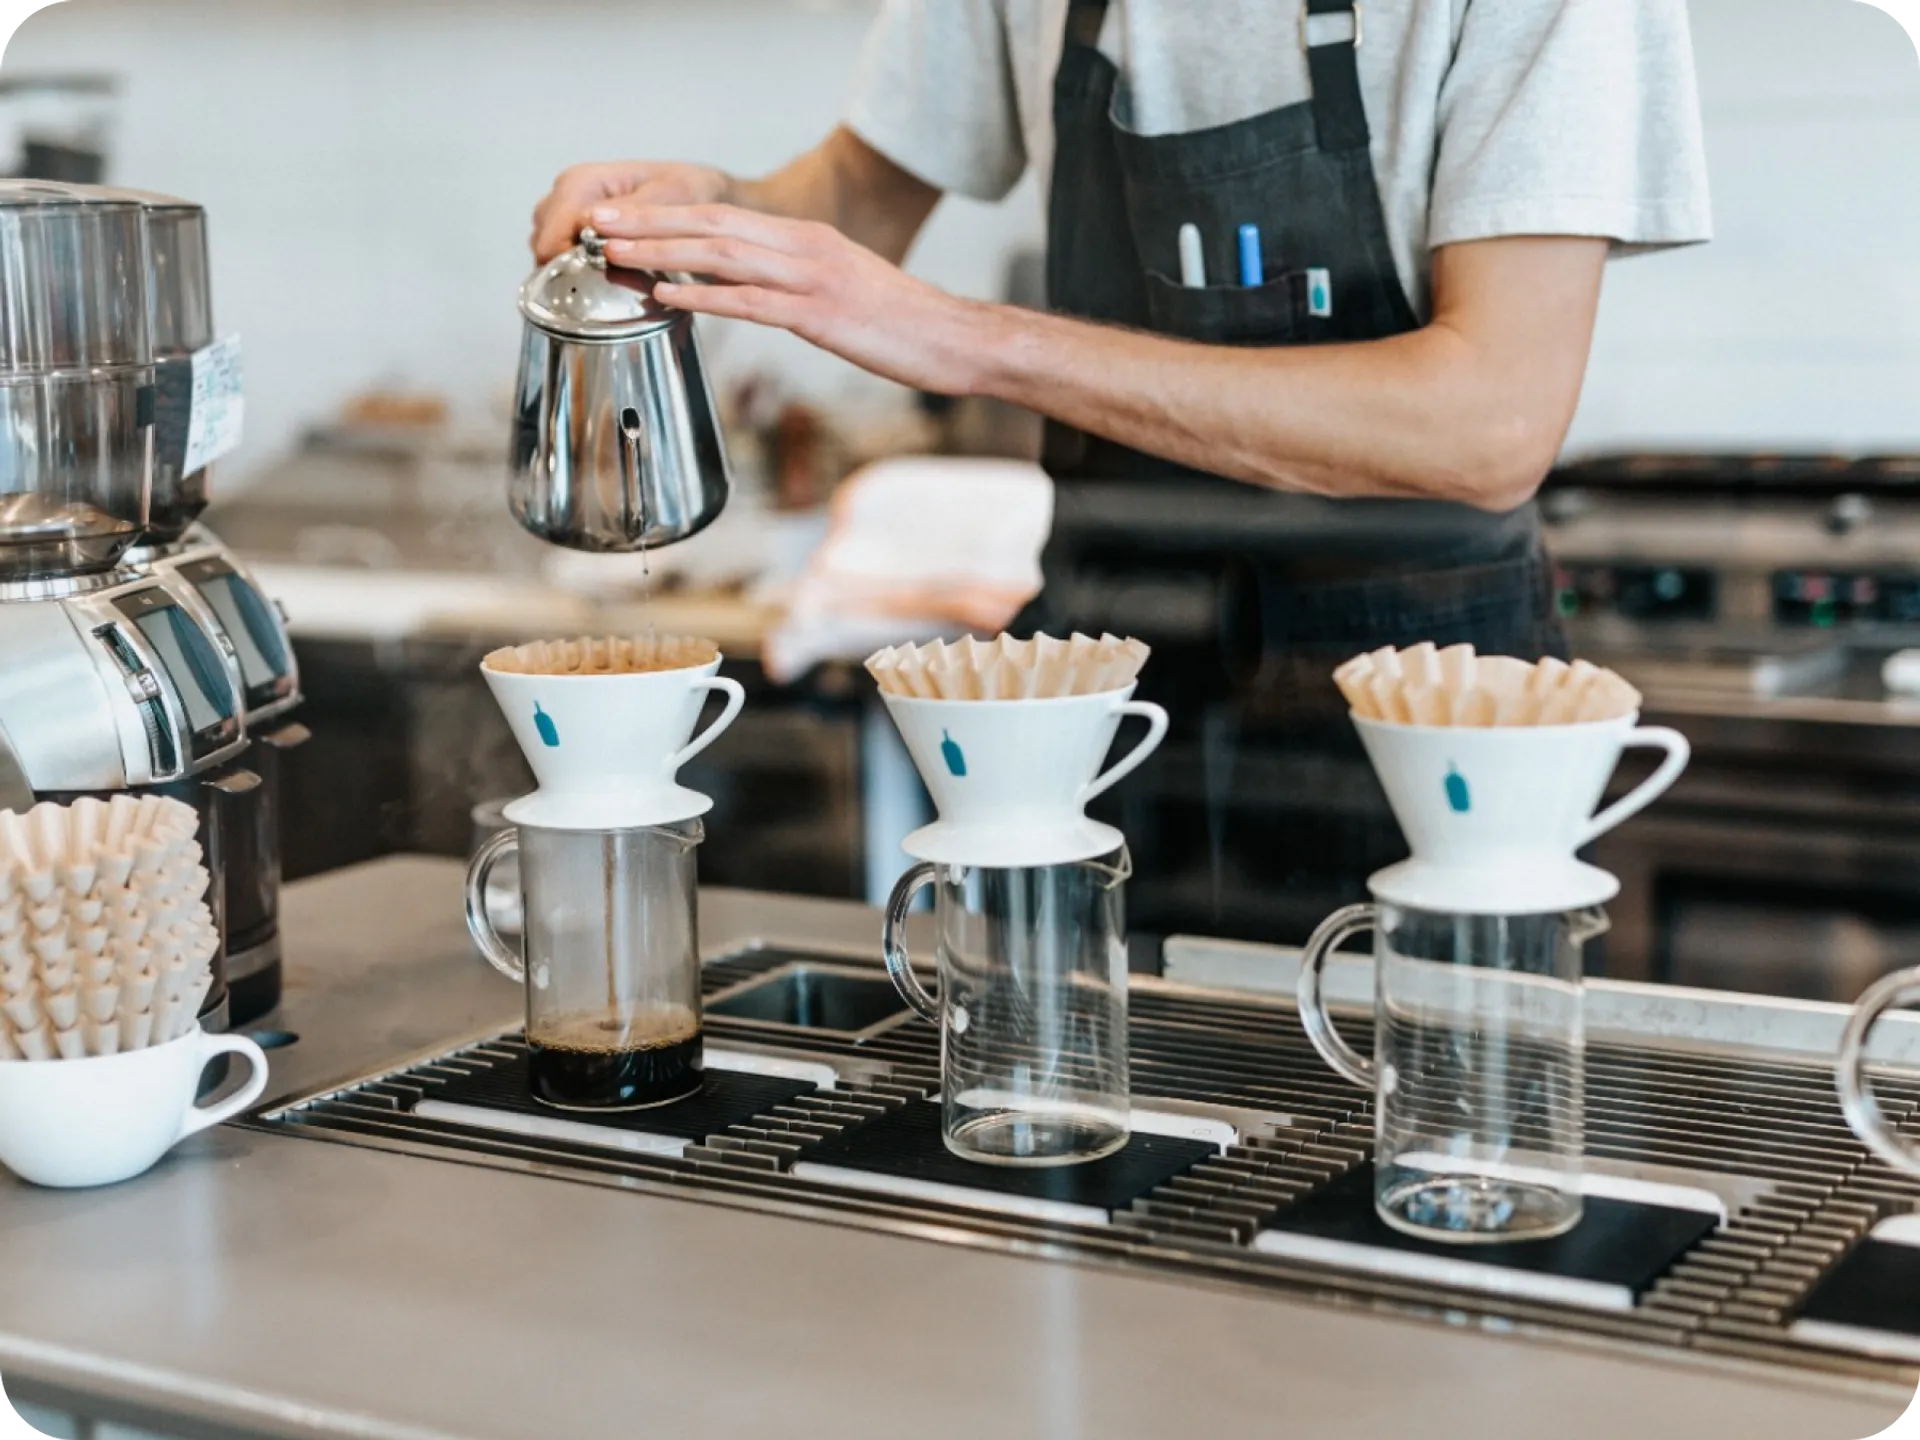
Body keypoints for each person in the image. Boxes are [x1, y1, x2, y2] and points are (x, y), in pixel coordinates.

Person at [532, 0, 1710, 940]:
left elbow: (1488, 427)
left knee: (1411, 1166)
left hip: (1422, 709)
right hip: (1100, 690)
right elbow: (862, 192)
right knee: (1073, 1133)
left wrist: (970, 338)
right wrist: (713, 210)